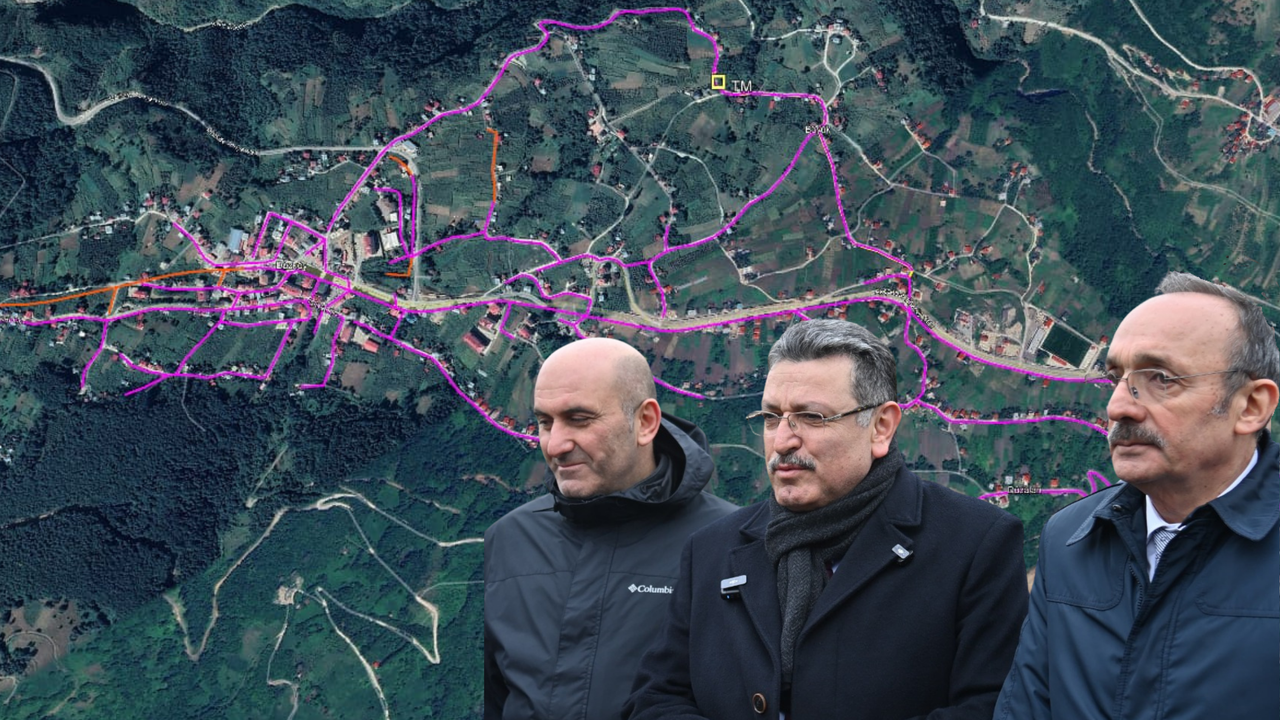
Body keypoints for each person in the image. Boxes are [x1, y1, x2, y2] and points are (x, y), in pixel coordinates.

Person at [625, 319, 1028, 720]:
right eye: (771, 417)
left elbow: (992, 708)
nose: (782, 441)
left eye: (812, 417)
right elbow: (655, 698)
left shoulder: (975, 544)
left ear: (881, 427)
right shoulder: (711, 550)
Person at [995, 271, 1280, 719]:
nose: (1117, 407)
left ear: (1251, 406)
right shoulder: (1068, 540)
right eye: (1115, 377)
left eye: (1161, 378)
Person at [483, 337, 737, 720]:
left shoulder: (731, 545)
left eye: (579, 419)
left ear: (645, 422)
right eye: (545, 422)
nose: (555, 445)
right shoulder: (509, 539)